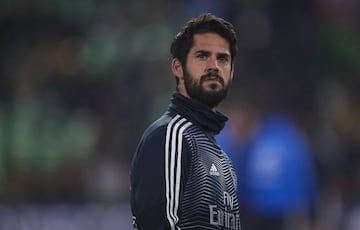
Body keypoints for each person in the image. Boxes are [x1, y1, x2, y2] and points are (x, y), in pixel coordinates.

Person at [130, 13, 240, 229]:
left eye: (223, 58)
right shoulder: (170, 135)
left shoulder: (223, 160)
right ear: (178, 67)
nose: (214, 66)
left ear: (231, 72)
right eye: (202, 56)